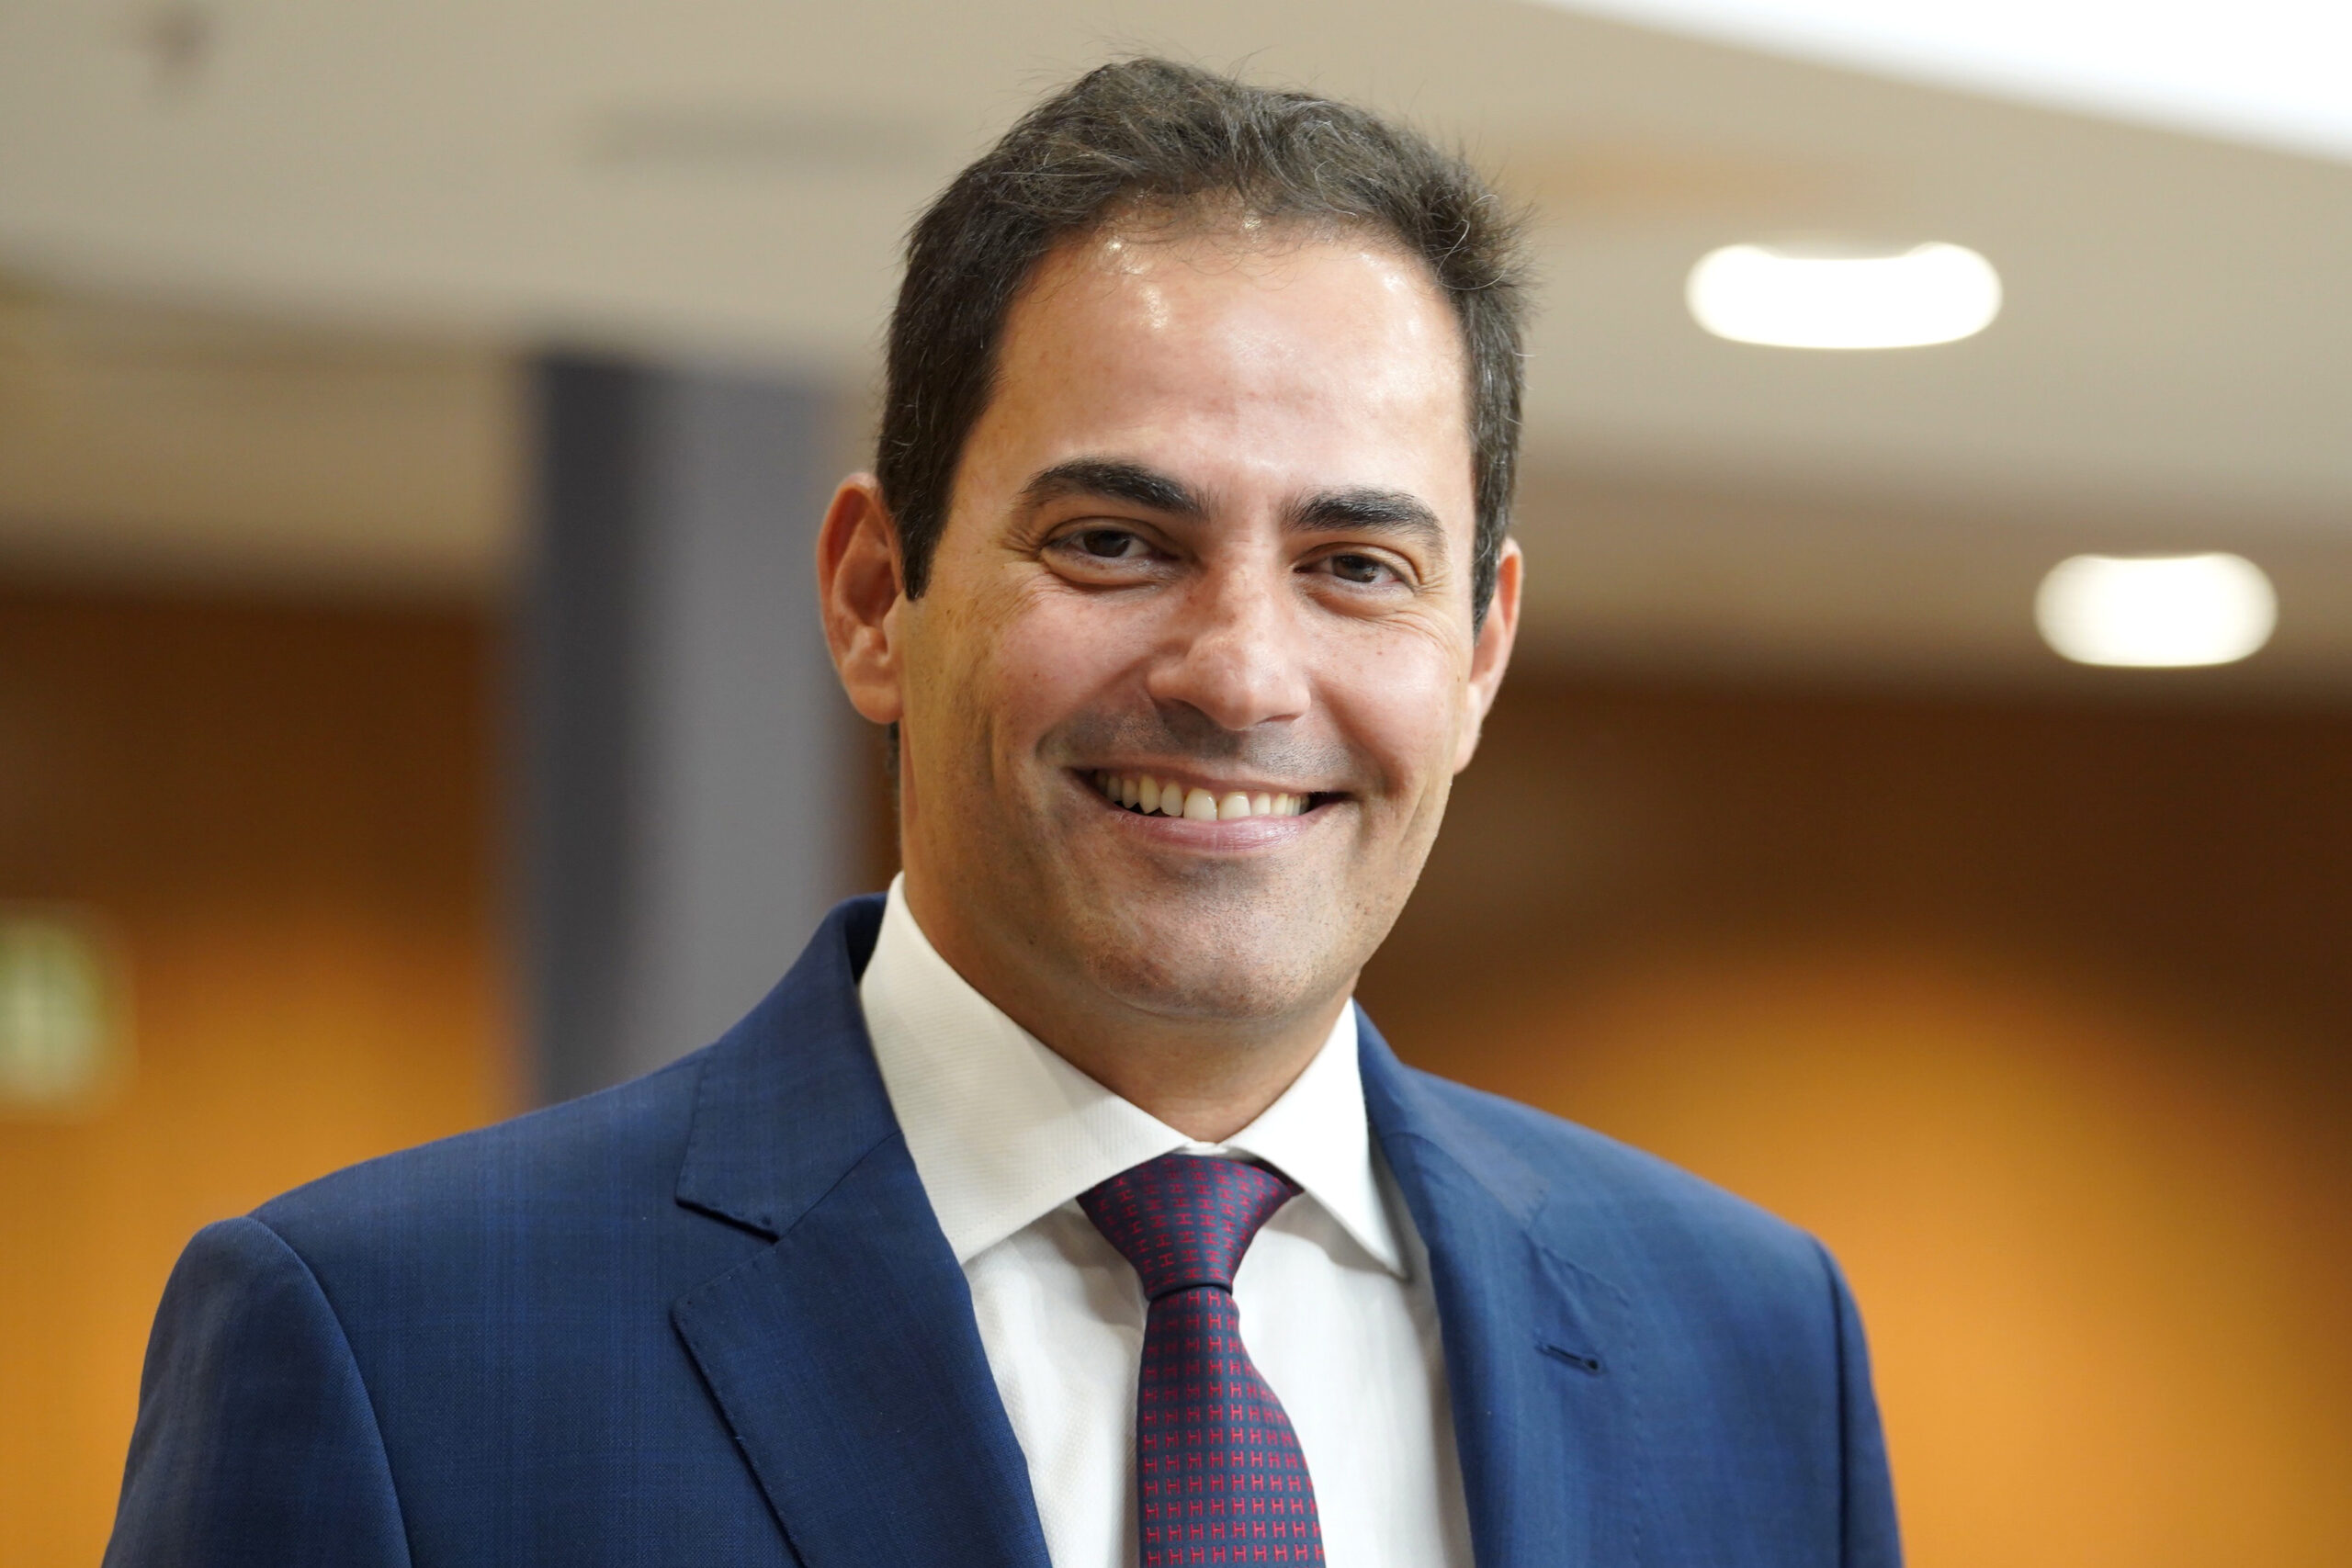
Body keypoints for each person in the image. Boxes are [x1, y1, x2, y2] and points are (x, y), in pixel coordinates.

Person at [106, 59, 1899, 1568]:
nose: (1240, 675)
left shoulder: (1749, 1349)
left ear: (1480, 651)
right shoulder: (389, 1348)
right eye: (1114, 541)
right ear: (873, 596)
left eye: (1356, 564)